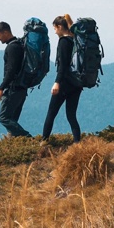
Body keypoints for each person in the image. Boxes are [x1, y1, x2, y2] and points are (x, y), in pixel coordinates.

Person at [42, 14, 83, 144]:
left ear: (60, 27)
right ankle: (77, 143)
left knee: (51, 113)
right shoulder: (76, 40)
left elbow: (63, 65)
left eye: (55, 28)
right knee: (71, 115)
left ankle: (44, 142)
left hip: (65, 83)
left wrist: (57, 83)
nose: (55, 32)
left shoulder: (64, 42)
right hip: (77, 83)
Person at [0, 21, 32, 138]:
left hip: (14, 89)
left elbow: (11, 71)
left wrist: (0, 88)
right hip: (22, 88)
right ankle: (13, 144)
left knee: (4, 118)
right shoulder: (19, 44)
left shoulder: (12, 47)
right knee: (12, 120)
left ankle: (29, 140)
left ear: (5, 32)